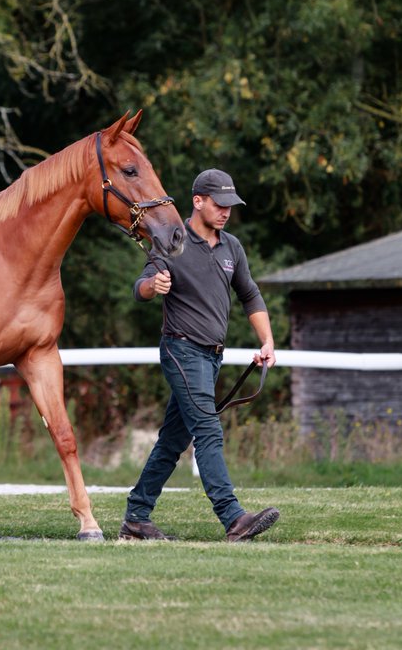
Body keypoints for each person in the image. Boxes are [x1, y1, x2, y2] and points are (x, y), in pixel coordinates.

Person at [120, 168, 280, 542]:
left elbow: (250, 295)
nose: (226, 212)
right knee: (207, 431)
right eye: (219, 204)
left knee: (173, 441)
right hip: (181, 348)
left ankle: (136, 517)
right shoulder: (172, 242)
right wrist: (151, 286)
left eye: (230, 206)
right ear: (198, 201)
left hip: (212, 357)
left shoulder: (232, 248)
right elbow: (139, 287)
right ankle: (233, 517)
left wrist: (267, 341)